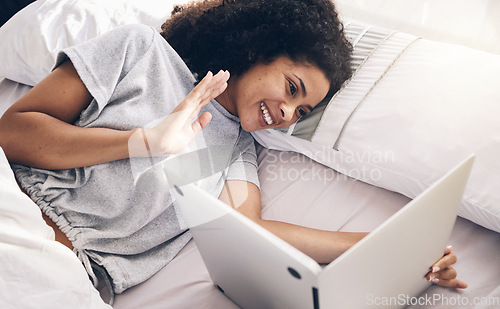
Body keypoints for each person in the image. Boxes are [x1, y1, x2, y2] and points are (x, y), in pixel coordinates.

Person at [0, 0, 466, 300]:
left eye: (302, 111)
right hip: (16, 213)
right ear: (255, 48)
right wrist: (139, 143)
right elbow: (14, 131)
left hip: (72, 282)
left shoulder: (234, 150)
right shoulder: (141, 54)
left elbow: (251, 230)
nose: (287, 113)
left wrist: (398, 250)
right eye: (292, 87)